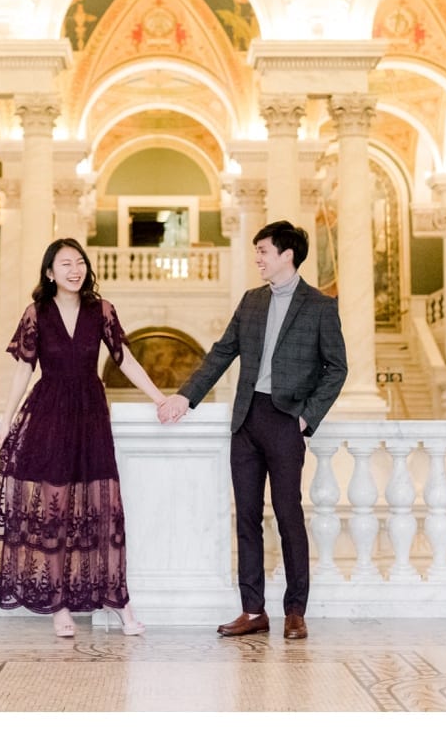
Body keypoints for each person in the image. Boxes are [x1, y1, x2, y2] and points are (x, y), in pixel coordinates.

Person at [157, 220, 347, 641]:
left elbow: (337, 369)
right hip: (246, 420)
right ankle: (252, 610)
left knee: (288, 516)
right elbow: (221, 353)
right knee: (246, 517)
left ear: (287, 255)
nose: (257, 258)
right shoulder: (251, 302)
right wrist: (184, 398)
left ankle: (296, 611)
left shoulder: (319, 306)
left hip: (285, 419)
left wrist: (306, 417)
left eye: (263, 251)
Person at [0, 237, 167, 638]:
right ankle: (58, 605)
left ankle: (119, 601)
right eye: (65, 263)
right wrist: (5, 421)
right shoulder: (36, 313)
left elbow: (125, 357)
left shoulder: (101, 310)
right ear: (50, 273)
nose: (75, 269)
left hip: (90, 413)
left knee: (101, 507)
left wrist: (159, 398)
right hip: (49, 412)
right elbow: (22, 372)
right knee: (54, 508)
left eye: (80, 262)